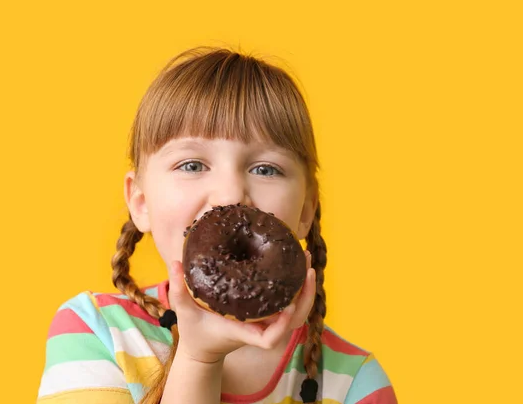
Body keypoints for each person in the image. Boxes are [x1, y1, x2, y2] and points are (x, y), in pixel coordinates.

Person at [36, 47, 398, 404]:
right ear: (141, 202)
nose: (229, 196)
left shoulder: (355, 383)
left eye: (265, 169)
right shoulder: (95, 334)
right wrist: (198, 359)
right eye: (192, 165)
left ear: (305, 210)